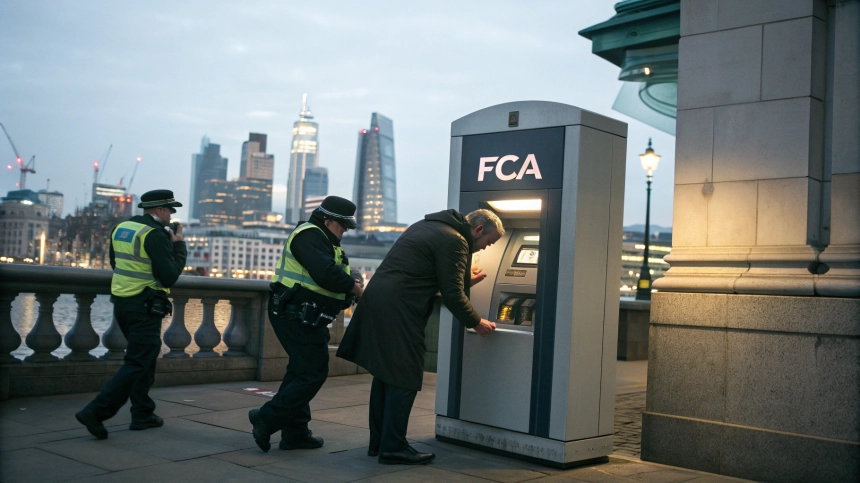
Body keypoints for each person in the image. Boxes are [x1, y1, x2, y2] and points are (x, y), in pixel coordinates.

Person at [337, 208, 503, 465]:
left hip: (381, 301)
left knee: (386, 375)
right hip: (399, 309)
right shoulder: (456, 240)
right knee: (405, 376)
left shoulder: (428, 226)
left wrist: (462, 281)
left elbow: (423, 276)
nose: (483, 249)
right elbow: (452, 295)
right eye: (487, 243)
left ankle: (380, 442)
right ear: (478, 230)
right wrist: (476, 322)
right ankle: (393, 447)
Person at [249, 196, 364, 452]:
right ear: (328, 220)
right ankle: (265, 418)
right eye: (343, 225)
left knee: (301, 371)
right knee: (312, 373)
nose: (345, 230)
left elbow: (337, 274)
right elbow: (326, 274)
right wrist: (353, 287)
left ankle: (296, 432)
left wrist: (352, 278)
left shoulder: (324, 240)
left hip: (306, 316)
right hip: (295, 314)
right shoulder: (309, 235)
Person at [75, 189, 187, 439]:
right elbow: (169, 276)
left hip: (123, 303)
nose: (171, 215)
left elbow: (116, 264)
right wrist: (179, 247)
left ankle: (143, 413)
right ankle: (96, 411)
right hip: (145, 305)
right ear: (159, 210)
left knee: (143, 359)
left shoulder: (121, 228)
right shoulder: (155, 235)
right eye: (170, 209)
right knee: (137, 362)